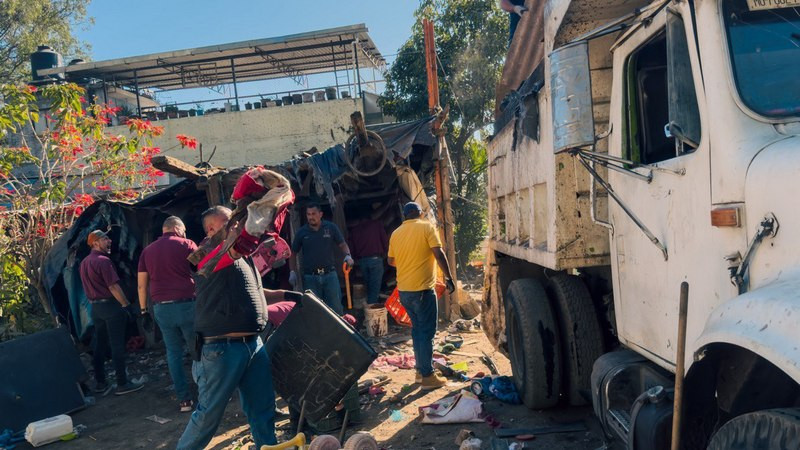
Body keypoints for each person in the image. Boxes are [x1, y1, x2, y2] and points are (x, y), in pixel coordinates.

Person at [177, 225, 277, 449]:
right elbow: (225, 255)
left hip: (253, 345)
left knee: (262, 408)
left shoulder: (243, 256)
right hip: (221, 349)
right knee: (209, 415)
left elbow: (255, 292)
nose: (237, 227)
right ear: (212, 228)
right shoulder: (205, 255)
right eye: (231, 222)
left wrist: (284, 294)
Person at [387, 202, 456, 390]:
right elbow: (438, 253)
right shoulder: (427, 227)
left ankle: (420, 371)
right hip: (422, 290)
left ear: (405, 215)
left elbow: (391, 261)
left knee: (417, 331)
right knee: (427, 333)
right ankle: (427, 376)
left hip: (404, 292)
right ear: (420, 213)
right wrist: (449, 277)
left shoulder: (396, 233)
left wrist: (408, 258)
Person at [137, 216, 198, 412]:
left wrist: (144, 311)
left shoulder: (147, 251)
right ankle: (208, 392)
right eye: (184, 230)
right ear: (177, 228)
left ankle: (184, 400)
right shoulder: (187, 244)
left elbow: (141, 285)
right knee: (198, 349)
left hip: (161, 308)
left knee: (173, 353)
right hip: (187, 305)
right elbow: (203, 268)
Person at [79, 230, 144, 396]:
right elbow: (114, 287)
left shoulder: (85, 262)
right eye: (105, 239)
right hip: (110, 307)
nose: (109, 241)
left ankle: (101, 382)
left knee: (99, 344)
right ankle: (122, 383)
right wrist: (125, 305)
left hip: (95, 309)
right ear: (95, 243)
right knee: (117, 345)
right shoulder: (103, 261)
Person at [289, 203, 353, 314]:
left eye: (313, 214)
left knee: (336, 309)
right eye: (308, 214)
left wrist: (348, 255)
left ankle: (337, 331)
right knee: (314, 310)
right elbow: (293, 253)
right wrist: (292, 271)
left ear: (320, 214)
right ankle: (319, 332)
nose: (310, 217)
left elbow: (342, 244)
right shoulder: (302, 232)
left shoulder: (330, 227)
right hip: (310, 278)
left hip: (330, 275)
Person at [348, 211, 389, 305]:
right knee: (375, 287)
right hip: (376, 260)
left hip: (363, 261)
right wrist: (386, 252)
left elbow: (352, 249)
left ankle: (368, 306)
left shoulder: (355, 230)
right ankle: (371, 310)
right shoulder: (377, 225)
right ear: (371, 216)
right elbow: (385, 241)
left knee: (368, 286)